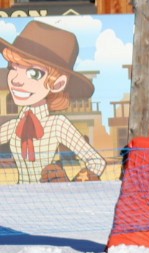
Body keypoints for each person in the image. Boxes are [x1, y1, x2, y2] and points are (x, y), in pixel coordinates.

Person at [0, 21, 107, 183]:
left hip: (50, 199)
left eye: (34, 73)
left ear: (58, 83)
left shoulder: (57, 125)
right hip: (20, 200)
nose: (16, 80)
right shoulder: (14, 126)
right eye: (14, 68)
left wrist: (73, 184)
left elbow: (97, 162)